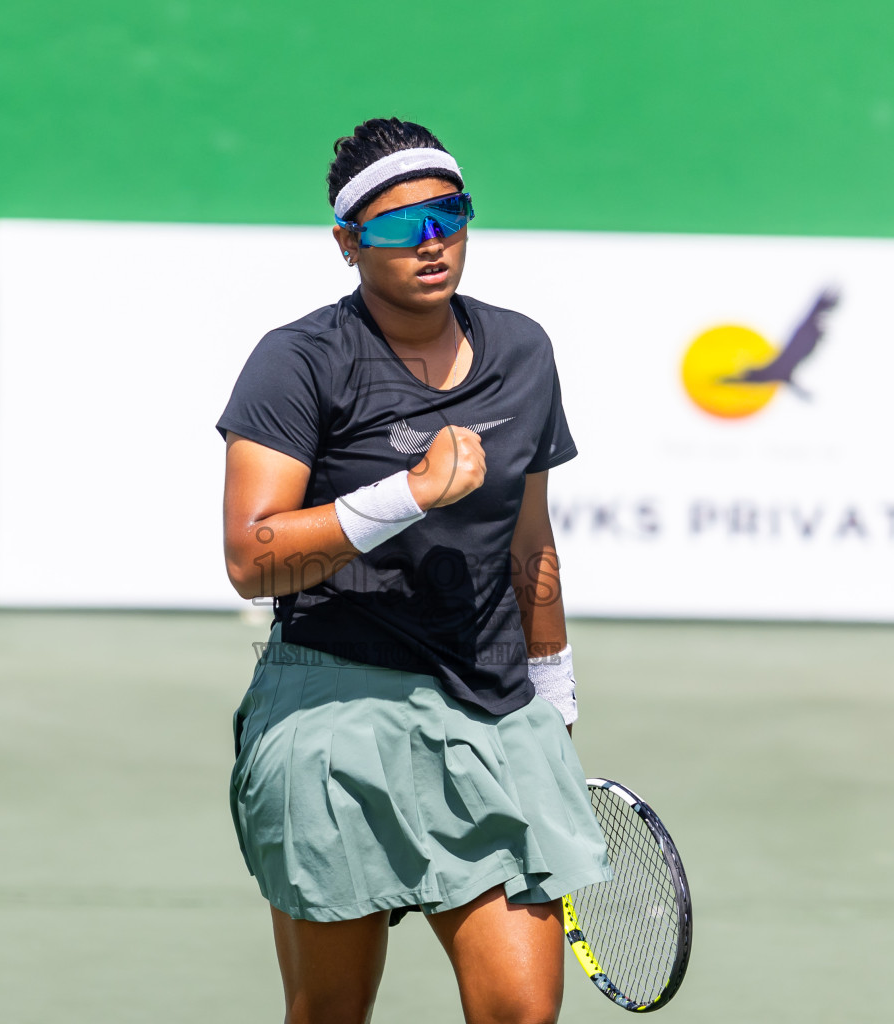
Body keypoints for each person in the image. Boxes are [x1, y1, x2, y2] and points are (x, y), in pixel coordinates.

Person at [218, 117, 610, 1024]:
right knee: (332, 1014)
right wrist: (406, 495)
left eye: (449, 215)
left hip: (491, 709)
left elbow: (531, 541)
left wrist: (553, 698)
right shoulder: (298, 362)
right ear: (349, 244)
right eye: (399, 229)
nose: (431, 243)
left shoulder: (523, 352)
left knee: (521, 1010)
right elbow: (250, 557)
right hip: (332, 715)